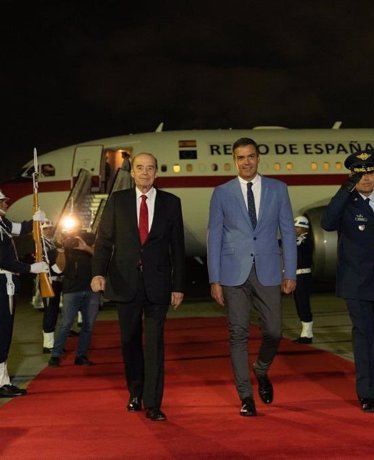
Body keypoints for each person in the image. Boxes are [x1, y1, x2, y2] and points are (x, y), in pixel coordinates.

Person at [91, 152, 185, 422]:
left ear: (157, 173)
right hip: (125, 283)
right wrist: (98, 273)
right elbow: (104, 241)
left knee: (155, 344)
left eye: (150, 168)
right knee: (129, 341)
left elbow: (177, 248)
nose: (145, 172)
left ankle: (154, 403)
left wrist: (178, 285)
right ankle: (135, 391)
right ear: (132, 173)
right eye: (140, 168)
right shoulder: (117, 202)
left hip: (158, 285)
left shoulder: (171, 203)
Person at [207, 137, 297, 417]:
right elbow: (215, 237)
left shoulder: (278, 189)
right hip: (233, 273)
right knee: (238, 334)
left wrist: (290, 271)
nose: (246, 162)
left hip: (269, 270)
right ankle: (246, 396)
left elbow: (288, 232)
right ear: (234, 161)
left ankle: (261, 368)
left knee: (274, 331)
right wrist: (214, 279)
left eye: (251, 157)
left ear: (258, 158)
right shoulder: (221, 192)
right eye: (241, 158)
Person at [321, 147, 374, 413]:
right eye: (360, 174)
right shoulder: (346, 205)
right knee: (364, 335)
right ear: (352, 177)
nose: (366, 178)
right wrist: (346, 188)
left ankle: (369, 367)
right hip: (356, 283)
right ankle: (367, 394)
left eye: (370, 172)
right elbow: (327, 222)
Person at [0, 185, 48, 398]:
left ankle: (3, 381)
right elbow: (2, 260)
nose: (5, 204)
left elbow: (20, 228)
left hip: (7, 281)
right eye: (1, 201)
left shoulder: (1, 223)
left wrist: (35, 220)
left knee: (5, 331)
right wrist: (29, 268)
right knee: (1, 332)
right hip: (1, 281)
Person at [48, 229, 100, 367]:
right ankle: (55, 355)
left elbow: (101, 258)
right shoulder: (63, 248)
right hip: (71, 290)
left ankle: (81, 356)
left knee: (88, 325)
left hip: (91, 290)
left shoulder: (89, 240)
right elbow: (59, 269)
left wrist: (86, 247)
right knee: (66, 324)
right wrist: (61, 248)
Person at [41, 220, 64, 354]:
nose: (49, 231)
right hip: (48, 280)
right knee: (50, 311)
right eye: (46, 229)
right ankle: (48, 344)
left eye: (50, 228)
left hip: (55, 280)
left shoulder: (51, 243)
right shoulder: (41, 244)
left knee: (54, 310)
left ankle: (51, 341)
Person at [292, 215, 314, 344]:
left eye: (297, 227)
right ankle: (305, 332)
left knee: (303, 303)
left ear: (303, 228)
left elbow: (299, 245)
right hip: (296, 275)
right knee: (299, 302)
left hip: (303, 276)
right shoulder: (298, 239)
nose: (294, 229)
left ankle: (307, 333)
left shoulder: (306, 240)